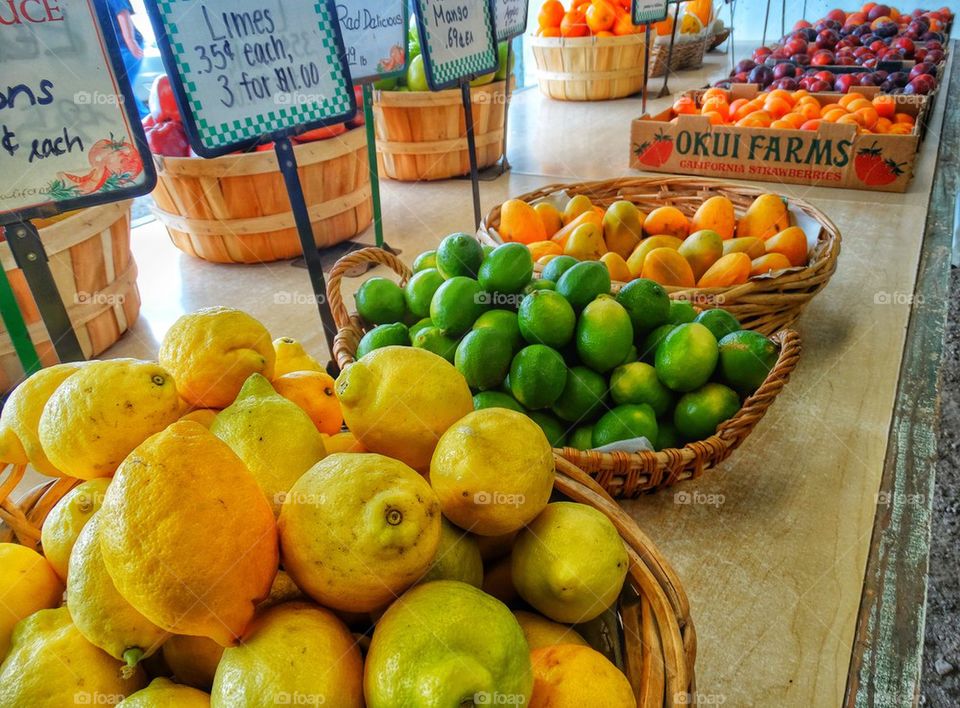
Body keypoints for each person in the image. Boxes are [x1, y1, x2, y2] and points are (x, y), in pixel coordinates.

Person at [108, 0, 148, 118]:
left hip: (127, 48)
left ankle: (143, 116)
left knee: (121, 87)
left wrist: (131, 41)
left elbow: (123, 13)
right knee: (121, 87)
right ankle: (143, 115)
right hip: (117, 48)